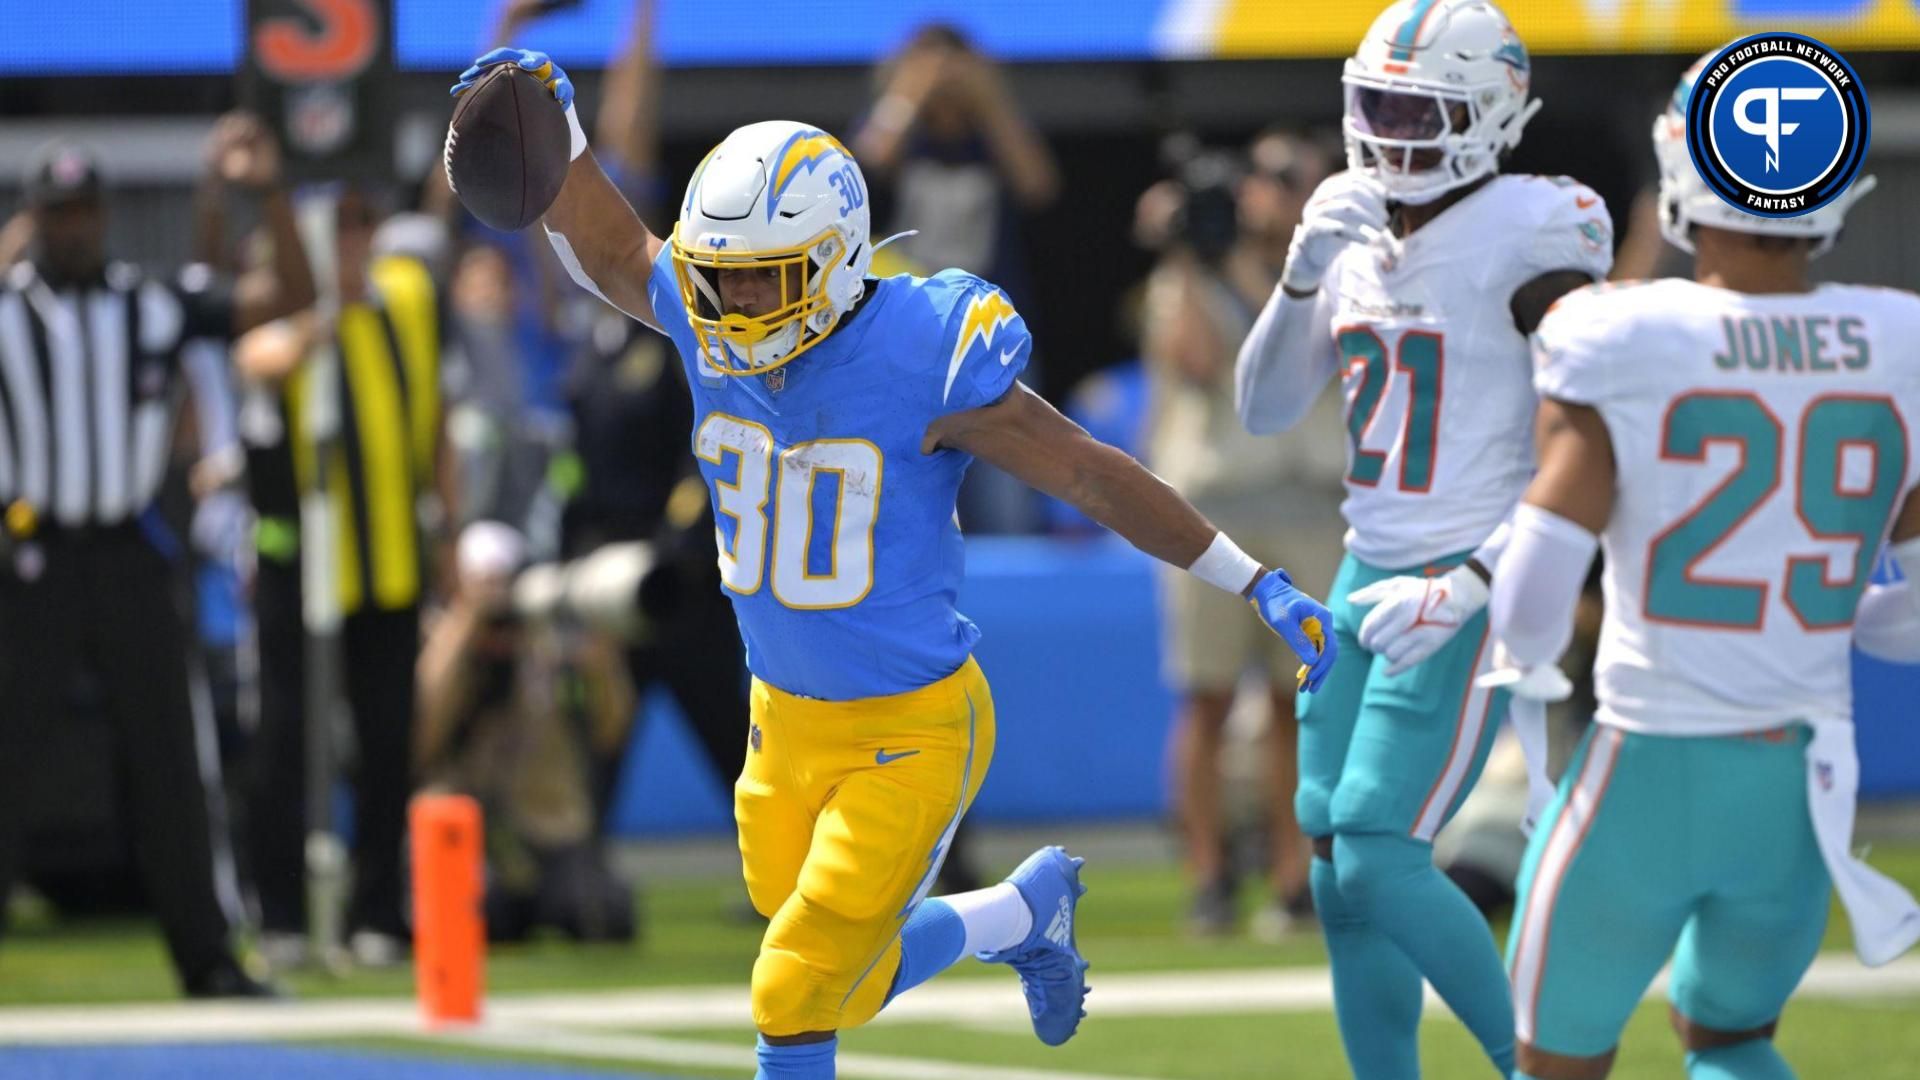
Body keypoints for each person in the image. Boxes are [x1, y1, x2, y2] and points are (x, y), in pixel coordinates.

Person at [449, 49, 1338, 1080]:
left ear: (832, 260)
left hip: (909, 729)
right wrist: (562, 133)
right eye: (718, 275)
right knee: (843, 976)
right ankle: (1018, 913)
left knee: (789, 987)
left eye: (761, 278)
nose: (732, 304)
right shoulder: (705, 313)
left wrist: (1253, 578)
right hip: (780, 721)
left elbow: (1090, 475)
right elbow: (611, 250)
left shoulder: (924, 350)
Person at [1484, 54, 1920, 1080]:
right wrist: (1843, 614)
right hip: (1805, 776)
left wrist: (1525, 670)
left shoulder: (1623, 331)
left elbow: (1542, 572)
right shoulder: (1897, 338)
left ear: (1684, 176)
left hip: (1651, 760)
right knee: (1727, 1039)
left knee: (1555, 1059)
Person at [1233, 1, 1613, 1074]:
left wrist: (1498, 573)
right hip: (1364, 563)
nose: (1393, 133)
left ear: (1490, 115)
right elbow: (1262, 408)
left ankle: (1536, 1063)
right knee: (1330, 859)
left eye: (1421, 109)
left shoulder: (1534, 226)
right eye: (1380, 105)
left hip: (1460, 573)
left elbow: (1599, 409)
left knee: (1376, 849)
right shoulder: (1348, 222)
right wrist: (1302, 272)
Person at [0, 117, 313, 998]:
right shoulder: (9, 310)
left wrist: (271, 192)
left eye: (86, 212)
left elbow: (286, 296)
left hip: (131, 553)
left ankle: (208, 957)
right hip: (31, 558)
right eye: (58, 214)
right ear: (32, 221)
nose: (76, 229)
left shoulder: (152, 303)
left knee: (172, 760)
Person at [235, 187, 448, 969]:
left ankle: (376, 913)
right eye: (341, 228)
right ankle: (283, 914)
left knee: (390, 743)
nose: (355, 242)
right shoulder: (287, 312)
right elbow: (254, 358)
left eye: (364, 225)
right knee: (286, 740)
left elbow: (435, 420)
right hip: (303, 568)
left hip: (390, 561)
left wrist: (447, 536)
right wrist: (315, 316)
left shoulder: (408, 301)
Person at [1137, 137, 1339, 940]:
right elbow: (1192, 360)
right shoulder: (1187, 278)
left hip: (1312, 502)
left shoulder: (1332, 276)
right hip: (1215, 510)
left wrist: (1253, 261)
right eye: (1257, 178)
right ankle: (1211, 879)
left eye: (1285, 179)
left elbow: (1310, 357)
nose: (1263, 193)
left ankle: (1296, 881)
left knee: (1302, 703)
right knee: (1208, 696)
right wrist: (1190, 255)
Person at [851, 23, 1060, 535]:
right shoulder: (903, 132)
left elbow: (1038, 184)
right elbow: (866, 162)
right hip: (905, 336)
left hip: (990, 337)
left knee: (1006, 496)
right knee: (907, 491)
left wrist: (989, 100)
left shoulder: (991, 137)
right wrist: (908, 92)